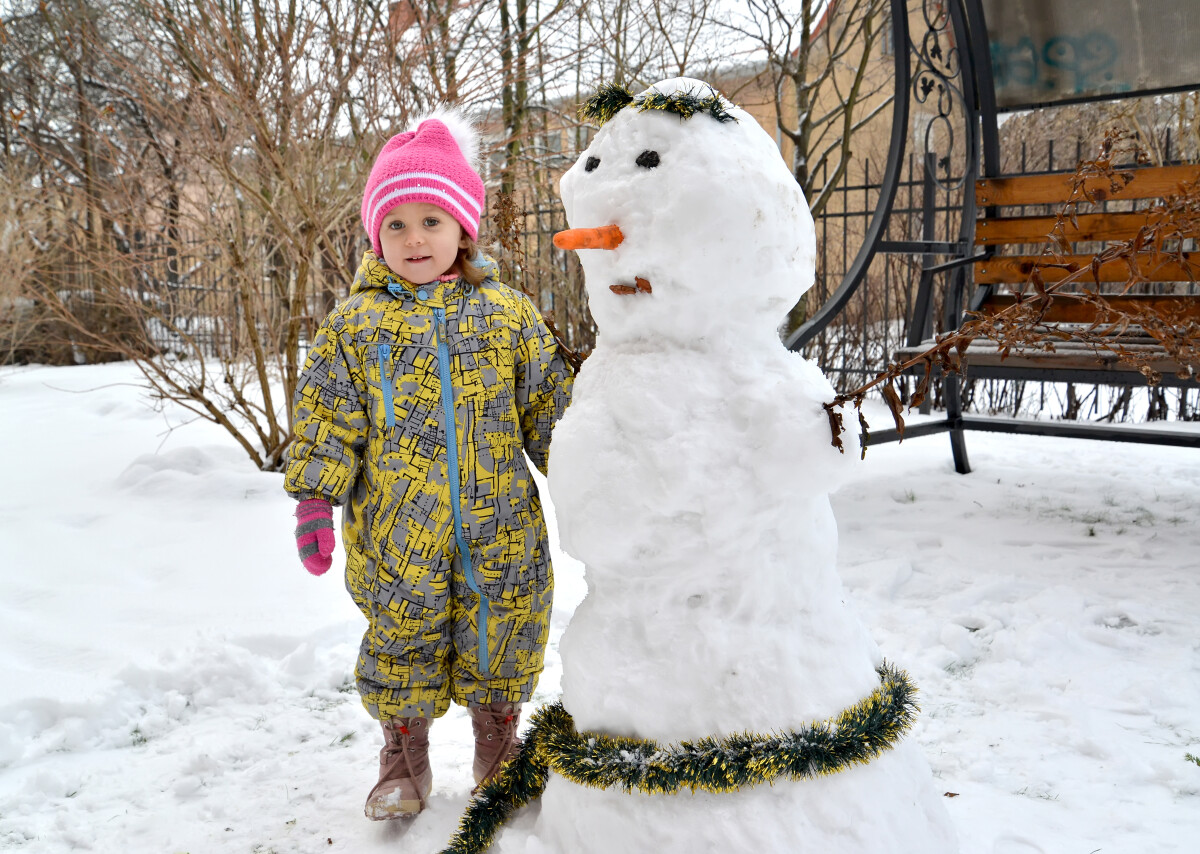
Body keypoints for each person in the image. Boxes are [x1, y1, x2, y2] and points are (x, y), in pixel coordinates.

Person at [284, 110, 574, 820]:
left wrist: (590, 475)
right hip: (395, 531)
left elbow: (551, 409)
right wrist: (315, 501)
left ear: (463, 229)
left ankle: (498, 743)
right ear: (375, 235)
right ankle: (403, 757)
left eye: (431, 221)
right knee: (400, 632)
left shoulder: (507, 315)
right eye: (397, 224)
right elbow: (326, 415)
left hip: (499, 523)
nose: (414, 239)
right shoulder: (355, 326)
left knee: (503, 621)